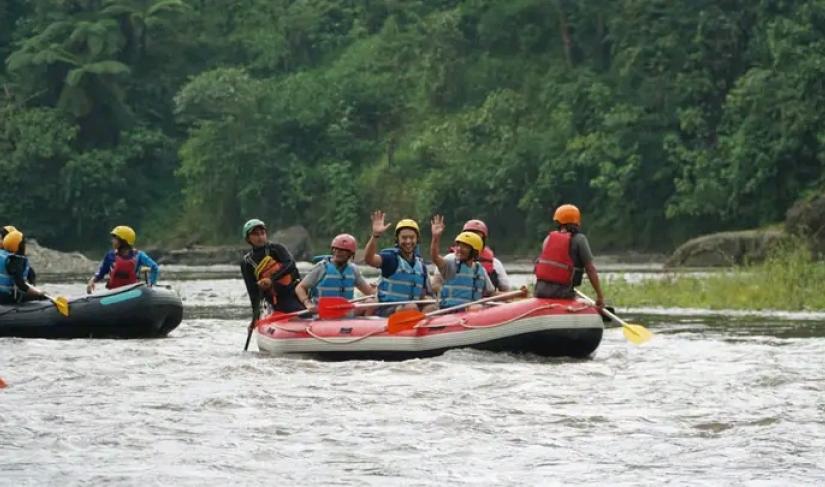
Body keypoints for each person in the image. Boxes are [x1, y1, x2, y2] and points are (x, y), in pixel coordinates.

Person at [533, 204, 605, 307]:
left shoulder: (548, 239)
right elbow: (590, 269)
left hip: (539, 291)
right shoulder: (580, 240)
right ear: (575, 222)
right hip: (563, 294)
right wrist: (600, 296)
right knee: (585, 303)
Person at [363, 211, 430, 316]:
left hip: (411, 310)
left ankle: (428, 329)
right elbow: (369, 259)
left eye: (412, 237)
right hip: (386, 309)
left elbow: (421, 294)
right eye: (404, 238)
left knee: (431, 306)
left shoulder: (421, 266)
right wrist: (375, 236)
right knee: (411, 307)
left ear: (417, 239)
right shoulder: (390, 258)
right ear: (397, 239)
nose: (408, 241)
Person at [240, 219, 304, 327]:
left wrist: (271, 280)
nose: (260, 237)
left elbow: (290, 264)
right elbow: (253, 292)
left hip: (294, 290)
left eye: (262, 233)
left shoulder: (276, 249)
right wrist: (255, 317)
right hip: (275, 298)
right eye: (255, 234)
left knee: (304, 311)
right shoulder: (247, 262)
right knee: (292, 309)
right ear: (248, 239)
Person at [294, 234, 375, 314]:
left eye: (342, 250)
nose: (337, 252)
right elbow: (300, 287)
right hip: (322, 311)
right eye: (335, 249)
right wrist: (308, 303)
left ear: (350, 253)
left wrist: (374, 289)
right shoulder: (322, 267)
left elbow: (369, 292)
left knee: (370, 302)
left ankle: (362, 325)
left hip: (345, 310)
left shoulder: (353, 270)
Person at [430, 215, 496, 311]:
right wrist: (435, 238)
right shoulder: (451, 262)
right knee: (477, 308)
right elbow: (435, 257)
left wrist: (518, 293)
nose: (459, 249)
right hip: (449, 311)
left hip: (471, 313)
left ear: (474, 251)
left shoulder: (480, 270)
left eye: (464, 246)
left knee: (478, 307)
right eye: (458, 245)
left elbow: (493, 294)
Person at [86, 226, 159, 293]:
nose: (112, 241)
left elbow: (154, 267)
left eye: (115, 238)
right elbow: (101, 273)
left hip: (132, 293)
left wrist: (150, 284)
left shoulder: (139, 255)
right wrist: (92, 281)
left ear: (123, 241)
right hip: (114, 293)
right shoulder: (110, 255)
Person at [459, 219, 510, 292]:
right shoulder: (450, 260)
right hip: (455, 301)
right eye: (469, 238)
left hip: (486, 301)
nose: (473, 242)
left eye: (477, 238)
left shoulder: (495, 264)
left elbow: (505, 289)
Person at [0, 230, 47, 304]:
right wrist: (38, 294)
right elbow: (20, 284)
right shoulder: (16, 261)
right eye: (23, 243)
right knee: (41, 297)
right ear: (19, 245)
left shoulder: (3, 256)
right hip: (7, 297)